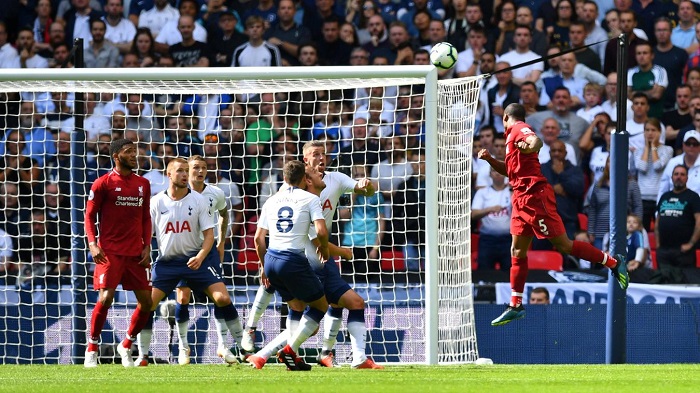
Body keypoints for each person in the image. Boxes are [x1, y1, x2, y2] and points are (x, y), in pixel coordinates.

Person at [478, 103, 628, 326]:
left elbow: (535, 141)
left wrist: (530, 145)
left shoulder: (519, 128)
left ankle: (614, 263)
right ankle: (516, 304)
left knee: (564, 245)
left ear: (506, 117)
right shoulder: (511, 140)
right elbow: (511, 171)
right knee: (517, 249)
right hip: (520, 197)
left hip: (535, 197)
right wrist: (490, 159)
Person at [136, 158, 245, 366]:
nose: (189, 174)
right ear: (169, 174)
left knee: (221, 297)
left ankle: (241, 346)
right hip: (170, 261)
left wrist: (213, 248)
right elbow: (146, 232)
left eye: (191, 170)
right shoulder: (157, 201)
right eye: (184, 170)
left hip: (200, 256)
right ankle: (148, 354)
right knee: (157, 302)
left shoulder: (206, 197)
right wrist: (145, 250)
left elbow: (218, 223)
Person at [253, 160, 330, 371]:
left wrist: (262, 265)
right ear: (304, 178)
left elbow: (258, 239)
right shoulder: (310, 199)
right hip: (292, 260)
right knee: (321, 306)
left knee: (296, 307)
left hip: (271, 259)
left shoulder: (271, 200)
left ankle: (292, 359)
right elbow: (321, 232)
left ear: (285, 179)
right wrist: (323, 247)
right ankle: (290, 349)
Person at [83, 138, 153, 368]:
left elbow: (145, 217)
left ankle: (126, 343)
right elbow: (89, 216)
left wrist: (147, 245)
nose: (135, 155)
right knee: (105, 298)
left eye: (135, 151)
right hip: (110, 252)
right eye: (129, 152)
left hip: (135, 253)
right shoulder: (102, 183)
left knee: (147, 302)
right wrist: (93, 244)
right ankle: (92, 347)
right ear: (116, 156)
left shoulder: (143, 183)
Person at [653, 165, 700, 284]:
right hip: (663, 251)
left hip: (683, 252)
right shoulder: (665, 197)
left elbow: (699, 222)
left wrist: (691, 244)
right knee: (662, 283)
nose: (679, 177)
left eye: (682, 174)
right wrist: (658, 244)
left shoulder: (693, 197)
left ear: (687, 178)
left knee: (684, 284)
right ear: (672, 177)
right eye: (676, 174)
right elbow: (658, 222)